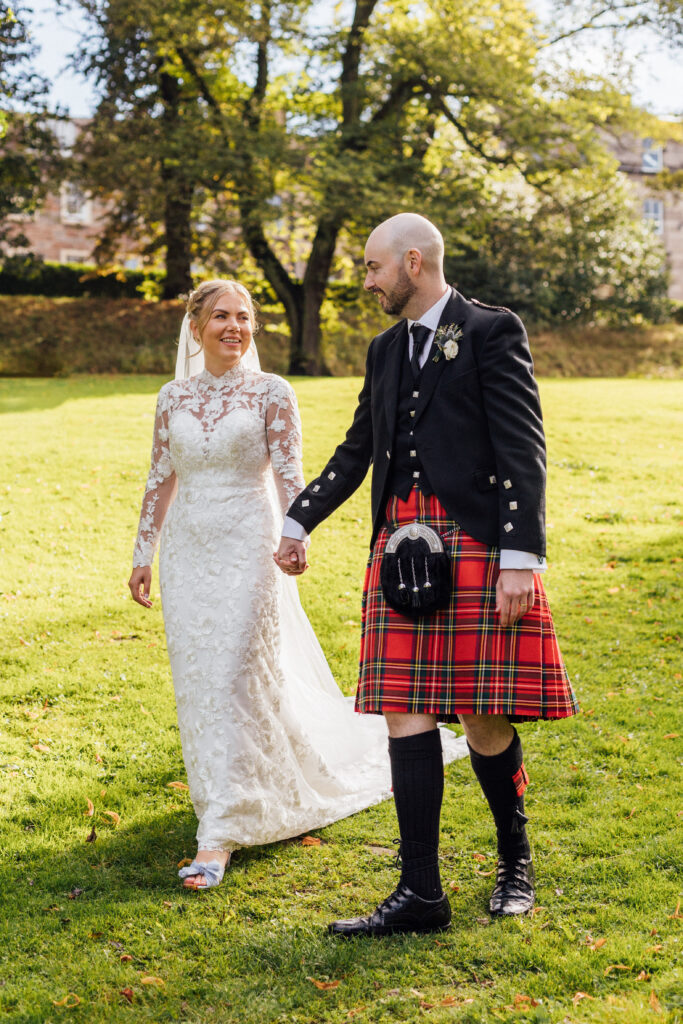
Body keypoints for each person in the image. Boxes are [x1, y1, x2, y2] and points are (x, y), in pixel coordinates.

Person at [275, 214, 579, 936]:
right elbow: (357, 451)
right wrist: (297, 518)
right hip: (402, 549)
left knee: (482, 714)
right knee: (404, 709)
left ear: (413, 262)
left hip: (474, 543)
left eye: (375, 268)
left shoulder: (488, 331)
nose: (368, 281)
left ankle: (514, 862)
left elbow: (521, 449)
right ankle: (419, 893)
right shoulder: (384, 351)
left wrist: (518, 558)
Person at [129, 278, 468, 890]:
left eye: (245, 317)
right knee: (201, 682)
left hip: (248, 549)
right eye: (222, 317)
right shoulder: (171, 397)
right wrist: (142, 553)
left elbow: (292, 475)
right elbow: (161, 476)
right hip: (187, 554)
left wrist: (297, 534)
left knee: (235, 669)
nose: (235, 327)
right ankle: (226, 788)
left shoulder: (272, 393)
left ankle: (220, 832)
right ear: (196, 325)